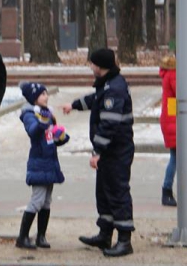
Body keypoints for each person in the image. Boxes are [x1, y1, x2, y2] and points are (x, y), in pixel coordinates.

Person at [62, 48, 135, 257]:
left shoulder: (115, 88)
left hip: (116, 150)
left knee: (117, 192)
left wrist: (97, 151)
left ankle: (124, 240)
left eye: (92, 63)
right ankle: (105, 233)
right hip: (111, 150)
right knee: (104, 192)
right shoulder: (109, 84)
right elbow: (96, 99)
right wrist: (74, 105)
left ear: (100, 65)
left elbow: (109, 124)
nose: (90, 67)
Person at [15, 82, 70, 250]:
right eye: (42, 94)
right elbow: (33, 131)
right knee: (37, 200)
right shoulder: (29, 114)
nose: (46, 96)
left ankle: (41, 236)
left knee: (46, 202)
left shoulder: (47, 114)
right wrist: (44, 121)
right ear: (33, 98)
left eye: (47, 93)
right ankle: (22, 237)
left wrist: (60, 136)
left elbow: (51, 138)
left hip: (50, 162)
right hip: (38, 163)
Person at [158, 56, 177, 207]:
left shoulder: (166, 75)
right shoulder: (173, 75)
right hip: (174, 122)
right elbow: (182, 93)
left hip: (170, 119)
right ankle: (167, 189)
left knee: (178, 158)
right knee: (176, 158)